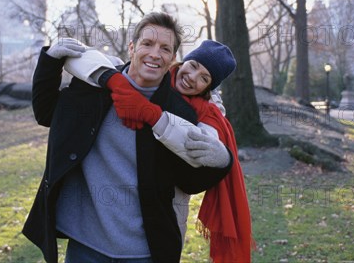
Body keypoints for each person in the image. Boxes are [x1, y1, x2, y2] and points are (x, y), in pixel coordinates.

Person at [22, 12, 233, 263]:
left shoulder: (180, 114)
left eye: (165, 48)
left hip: (144, 251)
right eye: (147, 43)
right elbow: (46, 113)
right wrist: (50, 61)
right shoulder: (94, 87)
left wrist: (223, 161)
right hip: (85, 245)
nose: (155, 53)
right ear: (132, 48)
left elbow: (188, 181)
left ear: (172, 59)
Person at [67, 39, 254, 263]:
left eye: (204, 78)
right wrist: (115, 81)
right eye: (193, 65)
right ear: (184, 60)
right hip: (96, 228)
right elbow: (82, 58)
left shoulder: (208, 115)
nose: (192, 77)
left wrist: (224, 158)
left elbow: (197, 150)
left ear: (209, 88)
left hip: (157, 226)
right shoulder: (146, 73)